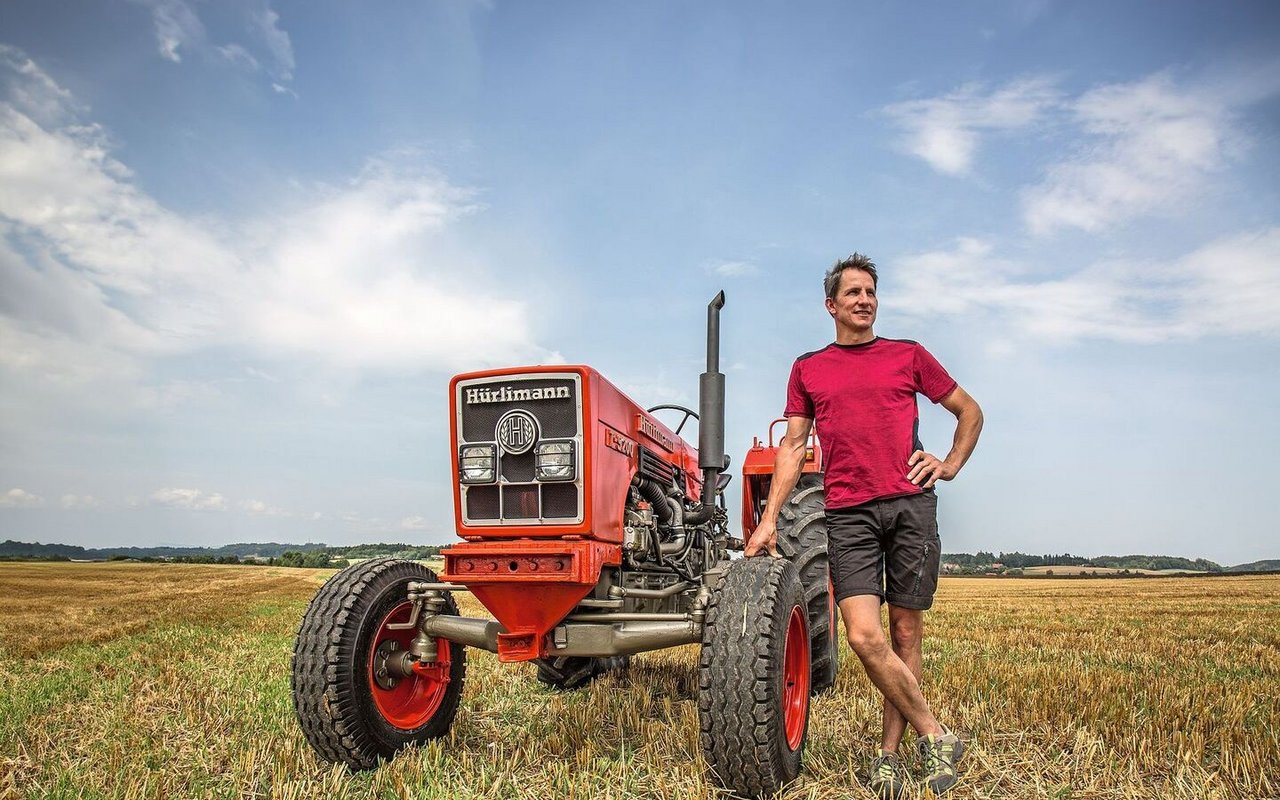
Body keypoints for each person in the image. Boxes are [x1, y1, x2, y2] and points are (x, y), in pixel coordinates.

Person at [745, 253, 983, 799]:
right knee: (863, 635)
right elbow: (792, 445)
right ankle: (938, 735)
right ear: (831, 305)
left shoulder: (909, 355)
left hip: (909, 505)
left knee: (904, 633)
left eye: (871, 291)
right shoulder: (809, 368)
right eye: (853, 292)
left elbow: (970, 411)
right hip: (847, 512)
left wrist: (947, 464)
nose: (864, 299)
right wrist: (769, 519)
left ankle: (889, 757)